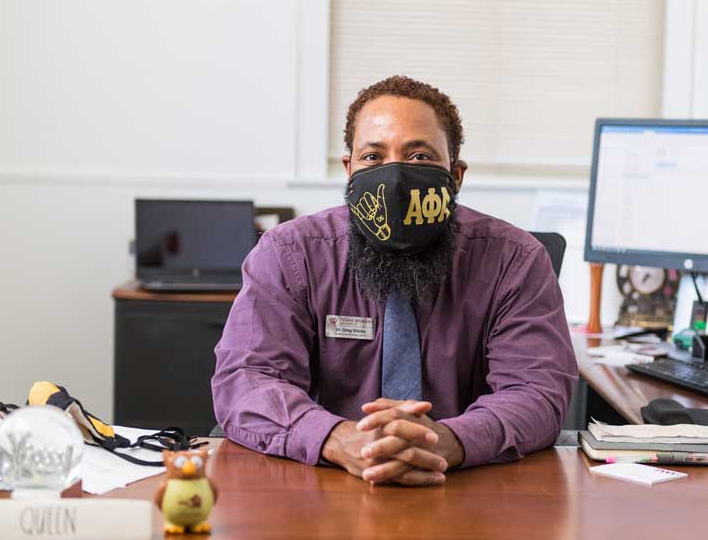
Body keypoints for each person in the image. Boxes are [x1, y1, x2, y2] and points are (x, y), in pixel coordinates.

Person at [212, 76, 576, 487]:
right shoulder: (289, 254)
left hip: (467, 489)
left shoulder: (516, 259)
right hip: (323, 486)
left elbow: (537, 391)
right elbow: (246, 379)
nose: (395, 178)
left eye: (419, 157)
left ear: (455, 175)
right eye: (372, 156)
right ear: (349, 171)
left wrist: (448, 442)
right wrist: (336, 438)